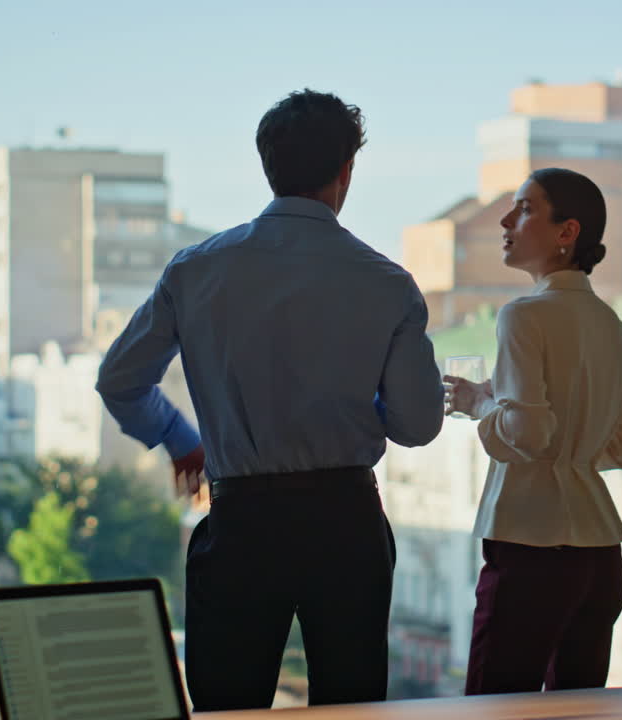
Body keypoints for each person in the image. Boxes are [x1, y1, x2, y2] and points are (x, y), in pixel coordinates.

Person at [95, 89, 445, 710]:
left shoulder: (196, 269)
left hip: (242, 525)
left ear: (268, 166)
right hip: (346, 525)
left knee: (229, 710)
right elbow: (418, 426)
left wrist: (182, 441)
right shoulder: (387, 282)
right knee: (352, 709)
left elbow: (120, 380)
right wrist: (360, 399)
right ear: (346, 172)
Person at [444, 168, 622, 695]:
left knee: (493, 710)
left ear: (567, 232)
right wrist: (573, 447)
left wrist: (479, 401)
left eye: (525, 208)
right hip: (600, 555)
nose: (507, 220)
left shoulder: (523, 317)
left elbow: (530, 434)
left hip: (530, 550)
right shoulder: (610, 324)